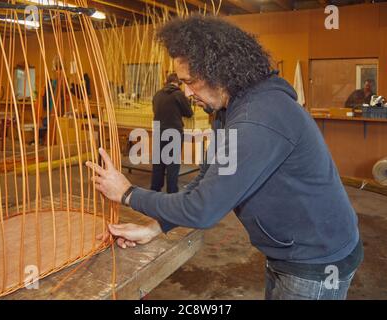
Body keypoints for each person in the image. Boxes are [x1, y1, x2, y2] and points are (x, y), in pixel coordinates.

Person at [86, 15, 363, 300]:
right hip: (287, 251)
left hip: (316, 259)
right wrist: (155, 228)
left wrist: (128, 193)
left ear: (219, 72)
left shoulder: (258, 119)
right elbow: (204, 184)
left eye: (191, 81)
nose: (187, 92)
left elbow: (202, 209)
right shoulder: (228, 112)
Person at [150, 73, 193, 193]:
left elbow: (155, 110)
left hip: (159, 131)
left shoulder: (157, 94)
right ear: (178, 83)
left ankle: (155, 189)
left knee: (158, 162)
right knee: (173, 164)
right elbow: (189, 113)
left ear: (167, 82)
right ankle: (172, 192)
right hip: (174, 131)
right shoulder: (179, 94)